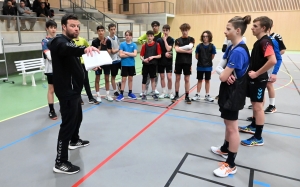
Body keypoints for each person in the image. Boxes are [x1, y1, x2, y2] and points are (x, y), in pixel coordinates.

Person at [48, 13, 99, 174]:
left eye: (77, 26)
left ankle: (74, 140)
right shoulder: (59, 42)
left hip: (74, 90)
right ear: (63, 26)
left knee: (78, 118)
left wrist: (92, 65)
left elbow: (73, 63)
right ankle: (60, 162)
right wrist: (84, 48)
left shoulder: (69, 42)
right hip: (67, 91)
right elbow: (68, 49)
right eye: (72, 25)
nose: (76, 28)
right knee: (67, 124)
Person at [211, 15, 251, 178]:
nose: (225, 31)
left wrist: (224, 74)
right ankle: (225, 149)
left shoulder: (239, 51)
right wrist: (224, 73)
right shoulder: (231, 47)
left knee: (233, 128)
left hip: (234, 93)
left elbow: (221, 75)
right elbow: (220, 69)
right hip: (228, 92)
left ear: (237, 30)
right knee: (228, 125)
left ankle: (231, 164)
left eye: (228, 29)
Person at [239, 16, 276, 146]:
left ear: (263, 28)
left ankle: (258, 137)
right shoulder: (258, 42)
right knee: (254, 104)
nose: (252, 28)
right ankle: (254, 126)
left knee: (258, 107)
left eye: (255, 26)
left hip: (259, 79)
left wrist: (257, 73)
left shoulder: (265, 42)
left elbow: (273, 60)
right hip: (254, 79)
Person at [73, 28, 100, 105]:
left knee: (86, 81)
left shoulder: (83, 40)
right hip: (75, 64)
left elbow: (89, 49)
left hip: (84, 63)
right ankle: (78, 98)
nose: (76, 31)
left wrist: (93, 63)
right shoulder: (71, 41)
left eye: (78, 29)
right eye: (75, 29)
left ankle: (90, 98)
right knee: (77, 82)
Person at [172, 23, 195, 104]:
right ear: (181, 31)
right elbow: (177, 50)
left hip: (187, 62)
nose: (184, 32)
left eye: (186, 30)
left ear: (188, 30)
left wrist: (179, 48)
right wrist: (185, 51)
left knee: (187, 79)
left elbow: (190, 47)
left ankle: (187, 96)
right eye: (183, 30)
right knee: (177, 78)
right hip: (178, 62)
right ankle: (176, 94)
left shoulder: (191, 39)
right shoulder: (177, 40)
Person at [138, 21, 162, 96]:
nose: (149, 37)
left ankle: (154, 90)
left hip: (154, 63)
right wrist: (143, 59)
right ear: (147, 36)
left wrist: (153, 57)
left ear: (153, 37)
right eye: (148, 36)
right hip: (146, 64)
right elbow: (141, 55)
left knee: (154, 77)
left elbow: (159, 55)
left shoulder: (158, 41)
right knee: (145, 78)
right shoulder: (144, 45)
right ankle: (144, 90)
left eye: (151, 36)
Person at [192, 30, 216, 102]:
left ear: (209, 37)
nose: (205, 38)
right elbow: (197, 56)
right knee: (199, 80)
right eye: (204, 36)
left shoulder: (212, 46)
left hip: (208, 67)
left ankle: (207, 95)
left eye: (206, 36)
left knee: (207, 80)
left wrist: (207, 61)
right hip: (200, 66)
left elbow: (212, 56)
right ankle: (197, 94)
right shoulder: (199, 46)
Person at [91, 25, 113, 102]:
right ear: (97, 32)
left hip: (106, 62)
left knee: (107, 78)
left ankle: (107, 94)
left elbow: (110, 52)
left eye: (102, 30)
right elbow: (93, 53)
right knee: (97, 79)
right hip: (98, 63)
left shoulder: (108, 41)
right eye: (99, 31)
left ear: (104, 31)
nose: (101, 32)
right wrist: (100, 46)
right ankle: (98, 95)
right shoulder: (94, 42)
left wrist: (105, 46)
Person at [42, 20, 57, 120]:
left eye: (54, 27)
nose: (53, 29)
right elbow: (49, 56)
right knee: (51, 90)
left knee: (60, 89)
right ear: (47, 29)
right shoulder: (45, 41)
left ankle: (64, 107)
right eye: (51, 27)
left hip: (60, 69)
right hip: (50, 69)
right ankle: (51, 110)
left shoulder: (59, 39)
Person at [116, 30, 138, 101]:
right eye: (126, 35)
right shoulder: (122, 44)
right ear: (125, 36)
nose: (127, 36)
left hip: (131, 64)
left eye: (129, 35)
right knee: (123, 79)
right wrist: (130, 54)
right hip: (124, 64)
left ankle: (130, 93)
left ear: (131, 36)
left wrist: (125, 52)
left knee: (130, 79)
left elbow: (135, 54)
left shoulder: (134, 45)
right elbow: (121, 55)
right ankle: (121, 94)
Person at [156, 24, 175, 99]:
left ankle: (170, 92)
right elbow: (158, 51)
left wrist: (164, 40)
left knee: (169, 77)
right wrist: (164, 54)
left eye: (166, 30)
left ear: (169, 31)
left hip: (168, 61)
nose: (165, 32)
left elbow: (168, 49)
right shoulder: (158, 40)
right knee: (162, 76)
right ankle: (164, 92)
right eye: (164, 30)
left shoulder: (171, 39)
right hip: (161, 60)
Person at [107, 23, 122, 97]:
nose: (113, 31)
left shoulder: (116, 38)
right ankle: (115, 91)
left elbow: (118, 48)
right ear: (109, 30)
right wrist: (118, 49)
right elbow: (112, 51)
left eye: (114, 29)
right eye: (111, 29)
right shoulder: (107, 39)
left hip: (119, 59)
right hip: (113, 61)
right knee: (113, 76)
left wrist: (119, 51)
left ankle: (120, 84)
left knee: (125, 74)